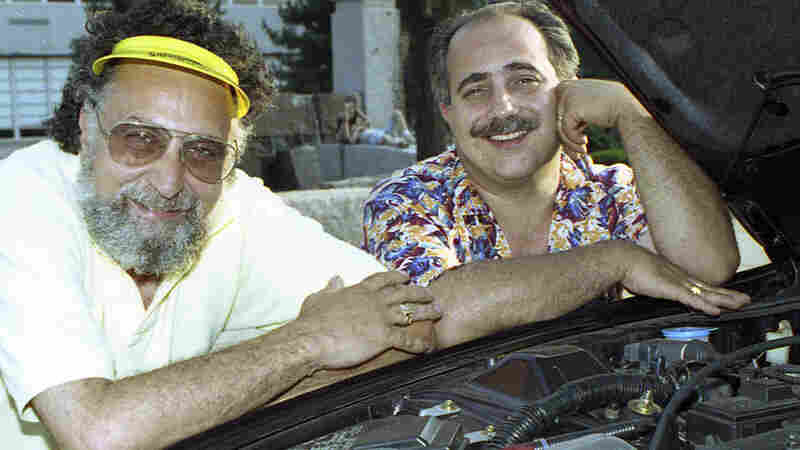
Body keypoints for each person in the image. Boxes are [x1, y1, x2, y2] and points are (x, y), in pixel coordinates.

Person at [0, 0, 442, 448]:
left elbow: (413, 321)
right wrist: (307, 342)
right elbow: (96, 433)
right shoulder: (23, 194)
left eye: (203, 151)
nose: (169, 183)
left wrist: (208, 401)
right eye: (139, 139)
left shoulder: (234, 204)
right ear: (86, 127)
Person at [362, 1, 750, 348]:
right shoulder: (406, 198)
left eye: (524, 80)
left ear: (569, 91)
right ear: (448, 112)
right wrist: (614, 260)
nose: (503, 108)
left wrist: (630, 113)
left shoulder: (609, 191)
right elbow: (433, 319)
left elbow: (708, 266)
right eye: (476, 90)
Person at [336, 95, 416, 147]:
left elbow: (368, 122)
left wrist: (362, 126)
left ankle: (407, 135)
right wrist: (357, 129)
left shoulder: (356, 112)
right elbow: (351, 141)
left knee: (397, 113)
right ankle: (398, 142)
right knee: (384, 137)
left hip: (376, 131)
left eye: (353, 108)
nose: (352, 111)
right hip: (369, 136)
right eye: (349, 109)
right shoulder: (343, 121)